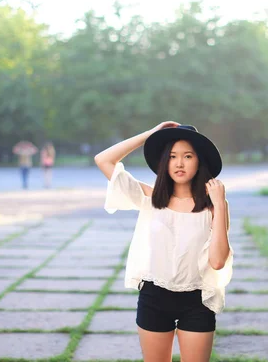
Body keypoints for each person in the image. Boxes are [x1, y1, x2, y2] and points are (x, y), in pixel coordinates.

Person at [94, 121, 233, 362]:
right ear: (164, 162)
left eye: (188, 156)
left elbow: (218, 261)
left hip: (197, 301)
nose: (179, 163)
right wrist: (150, 134)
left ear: (199, 161)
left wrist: (219, 203)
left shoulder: (213, 206)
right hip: (154, 298)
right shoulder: (148, 198)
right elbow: (104, 160)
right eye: (172, 156)